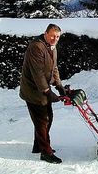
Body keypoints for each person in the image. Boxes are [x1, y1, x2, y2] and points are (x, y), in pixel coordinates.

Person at [19, 24, 66, 164]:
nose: (55, 38)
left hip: (42, 89)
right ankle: (46, 152)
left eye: (57, 36)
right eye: (52, 35)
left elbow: (54, 68)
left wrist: (59, 86)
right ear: (45, 33)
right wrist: (47, 91)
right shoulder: (36, 47)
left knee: (46, 119)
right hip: (33, 90)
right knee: (43, 120)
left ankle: (39, 145)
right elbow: (37, 73)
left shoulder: (52, 46)